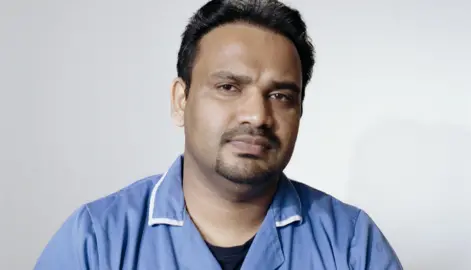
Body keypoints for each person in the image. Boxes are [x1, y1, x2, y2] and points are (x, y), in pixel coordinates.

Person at [35, 0, 403, 269]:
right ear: (182, 100)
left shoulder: (352, 245)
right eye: (228, 87)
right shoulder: (97, 240)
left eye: (281, 96)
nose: (258, 115)